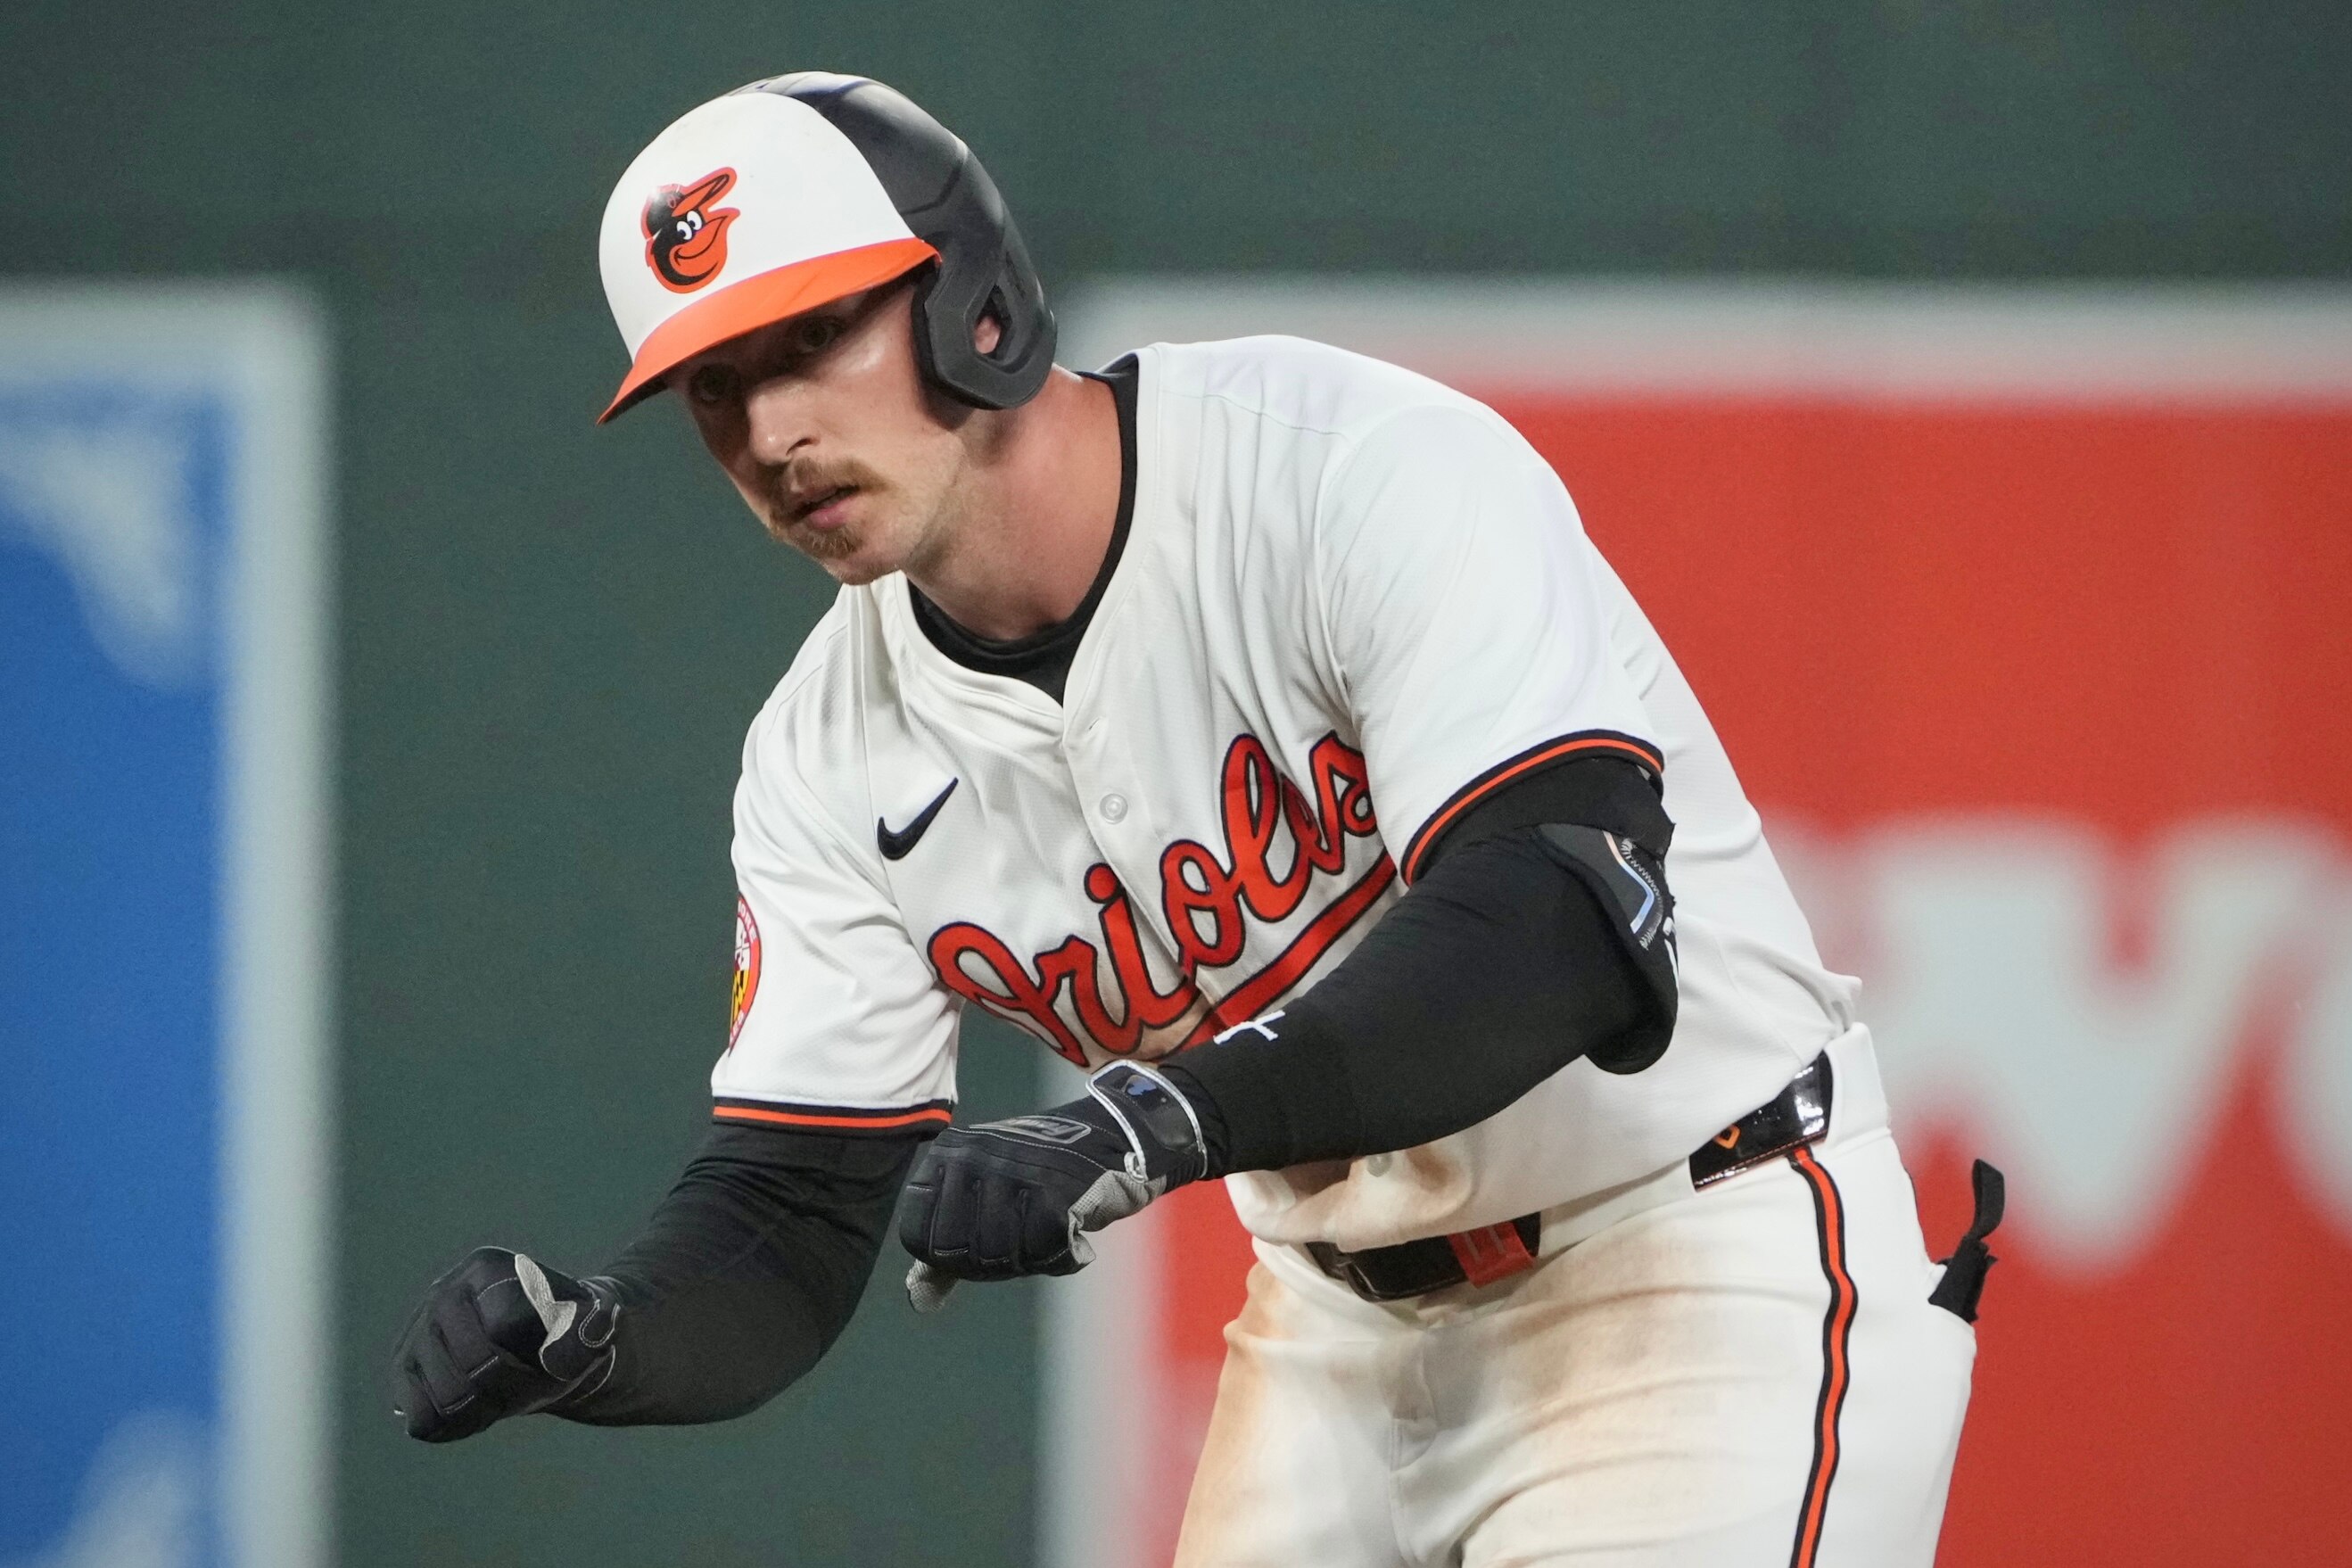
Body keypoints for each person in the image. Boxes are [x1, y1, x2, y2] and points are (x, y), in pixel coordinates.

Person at [390, 72, 1999, 1567]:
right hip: (1337, 1333)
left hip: (1690, 1247)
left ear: (973, 300)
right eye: (712, 389)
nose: (766, 432)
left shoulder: (1344, 471)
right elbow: (788, 1209)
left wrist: (1146, 1117)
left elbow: (1555, 921)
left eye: (807, 338)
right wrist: (601, 1334)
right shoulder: (822, 753)